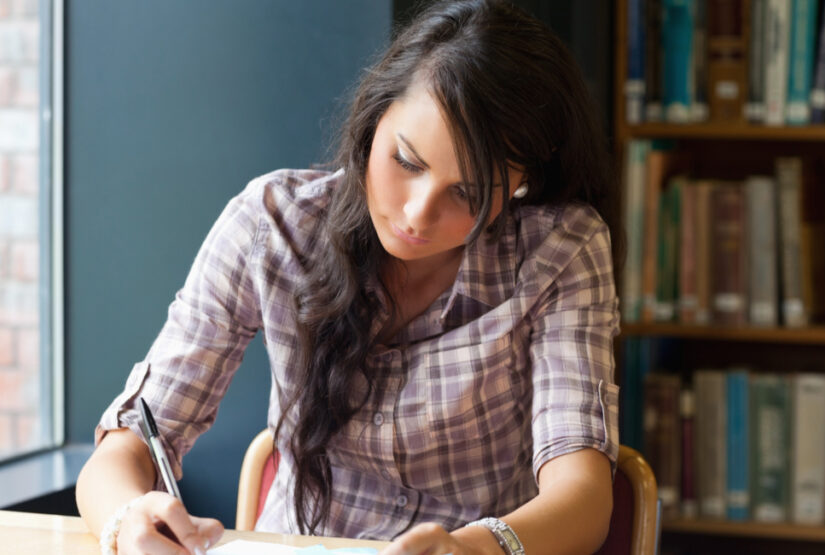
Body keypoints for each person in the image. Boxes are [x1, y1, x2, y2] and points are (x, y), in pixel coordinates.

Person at [76, 1, 622, 554]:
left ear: (523, 182)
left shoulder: (559, 250)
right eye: (407, 162)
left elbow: (583, 493)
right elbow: (129, 445)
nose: (416, 214)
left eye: (469, 193)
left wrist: (477, 549)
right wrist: (126, 516)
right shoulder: (273, 226)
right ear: (373, 118)